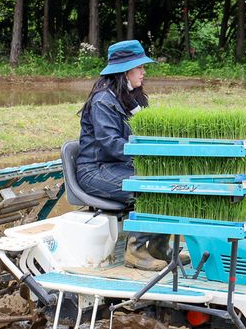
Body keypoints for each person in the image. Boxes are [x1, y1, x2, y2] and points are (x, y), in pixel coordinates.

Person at [75, 40, 188, 271]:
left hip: (117, 166)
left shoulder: (131, 99)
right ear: (124, 70)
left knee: (168, 183)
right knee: (152, 188)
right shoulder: (103, 101)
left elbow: (142, 136)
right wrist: (149, 157)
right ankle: (135, 251)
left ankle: (157, 247)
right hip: (96, 170)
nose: (143, 72)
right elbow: (111, 145)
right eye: (139, 67)